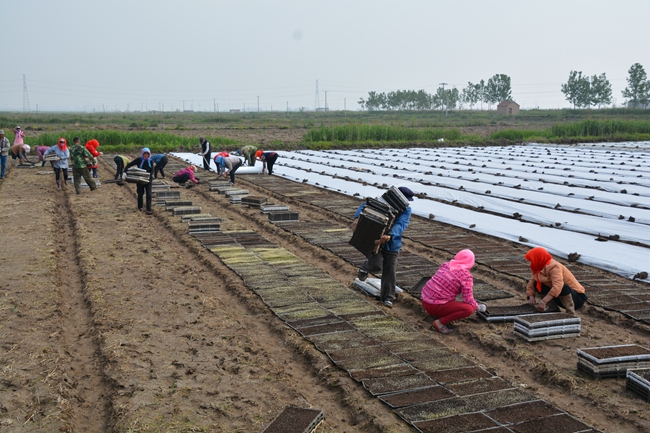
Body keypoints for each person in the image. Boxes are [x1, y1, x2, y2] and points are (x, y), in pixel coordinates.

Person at [352, 186, 414, 308]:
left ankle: (388, 298)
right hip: (375, 239)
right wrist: (357, 219)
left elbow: (401, 224)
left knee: (390, 270)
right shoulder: (381, 202)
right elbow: (364, 206)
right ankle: (365, 267)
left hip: (392, 243)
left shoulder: (406, 210)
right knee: (376, 265)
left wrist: (389, 235)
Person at [421, 249, 486, 334]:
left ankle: (439, 313)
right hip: (434, 306)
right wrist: (477, 307)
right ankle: (439, 323)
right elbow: (468, 300)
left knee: (451, 298)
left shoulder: (446, 265)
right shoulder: (466, 277)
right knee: (468, 309)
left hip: (425, 300)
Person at [524, 247, 587, 315]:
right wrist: (531, 296)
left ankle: (570, 312)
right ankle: (552, 308)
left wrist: (543, 301)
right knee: (537, 283)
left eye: (532, 261)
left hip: (576, 299)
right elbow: (532, 283)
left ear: (538, 258)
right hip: (560, 297)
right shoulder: (539, 267)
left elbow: (558, 286)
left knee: (562, 286)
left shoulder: (554, 267)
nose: (531, 263)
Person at [124, 148, 154, 214]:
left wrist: (148, 176)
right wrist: (125, 171)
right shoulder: (139, 160)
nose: (146, 155)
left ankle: (148, 209)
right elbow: (129, 164)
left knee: (149, 194)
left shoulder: (150, 161)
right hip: (140, 179)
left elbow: (152, 171)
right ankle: (140, 207)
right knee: (140, 193)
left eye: (147, 154)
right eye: (145, 154)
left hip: (148, 179)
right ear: (142, 154)